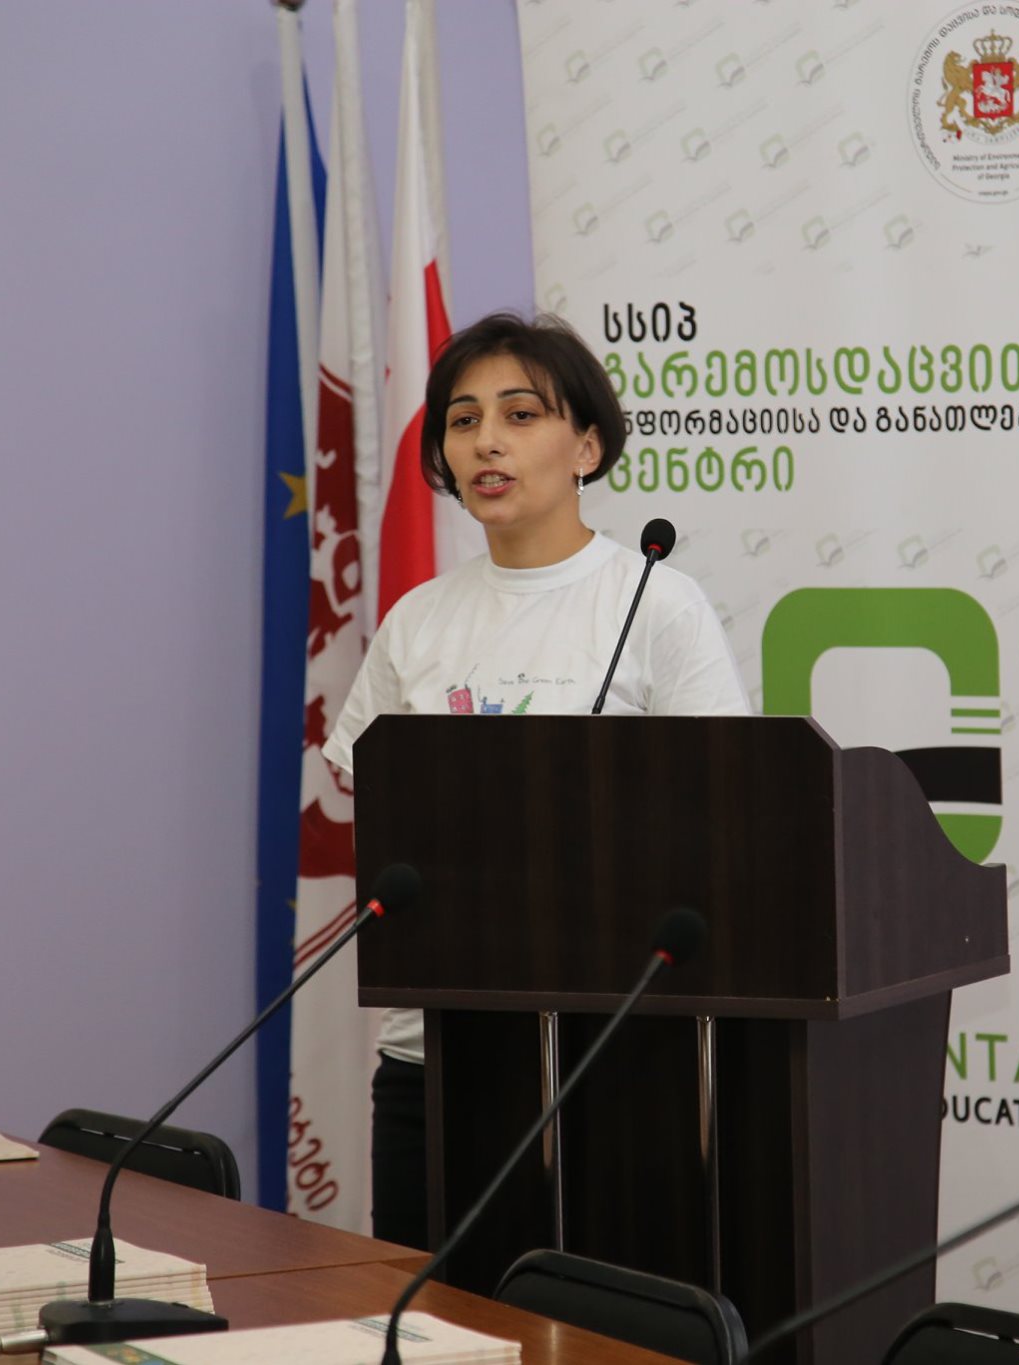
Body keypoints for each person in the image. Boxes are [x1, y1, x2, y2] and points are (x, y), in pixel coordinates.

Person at [321, 310, 749, 1250]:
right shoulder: (416, 621)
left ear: (587, 446)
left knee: (601, 1318)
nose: (487, 441)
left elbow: (722, 825)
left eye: (520, 414)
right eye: (464, 419)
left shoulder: (656, 603)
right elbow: (385, 832)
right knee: (426, 1316)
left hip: (614, 1053)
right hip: (432, 1055)